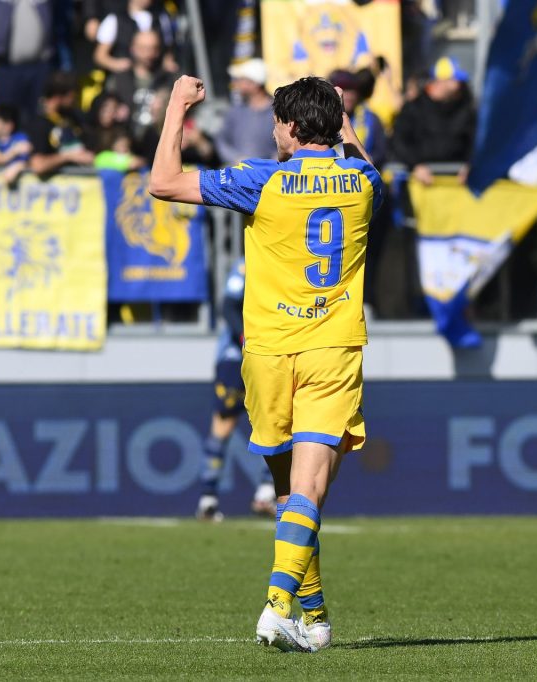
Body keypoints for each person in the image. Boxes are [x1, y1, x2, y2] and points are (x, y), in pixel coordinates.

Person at [149, 74, 382, 653]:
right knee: (307, 488)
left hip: (267, 352)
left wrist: (177, 106)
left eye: (277, 123)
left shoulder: (262, 180)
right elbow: (359, 157)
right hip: (331, 347)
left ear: (292, 128)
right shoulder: (364, 181)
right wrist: (342, 115)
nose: (272, 132)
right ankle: (286, 608)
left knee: (289, 490)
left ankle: (308, 616)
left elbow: (163, 183)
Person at [196, 259, 277, 522]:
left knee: (275, 422)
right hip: (236, 357)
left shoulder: (287, 260)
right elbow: (229, 305)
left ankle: (266, 492)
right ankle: (208, 499)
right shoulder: (249, 263)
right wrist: (245, 336)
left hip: (270, 356)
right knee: (224, 425)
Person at [390, 56, 477, 185]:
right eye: (455, 80)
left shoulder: (465, 109)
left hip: (456, 185)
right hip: (420, 184)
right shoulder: (414, 108)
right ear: (441, 80)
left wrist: (471, 164)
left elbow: (474, 141)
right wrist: (415, 165)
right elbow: (400, 141)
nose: (460, 86)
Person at [28, 73, 96, 176]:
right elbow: (38, 165)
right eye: (72, 95)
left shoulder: (73, 118)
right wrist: (68, 156)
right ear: (58, 97)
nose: (74, 99)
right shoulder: (40, 123)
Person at [215, 58, 278, 164]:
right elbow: (222, 141)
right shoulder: (235, 112)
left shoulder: (278, 112)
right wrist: (236, 158)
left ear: (254, 83)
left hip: (271, 172)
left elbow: (287, 143)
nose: (236, 84)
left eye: (240, 80)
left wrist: (273, 163)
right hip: (237, 171)